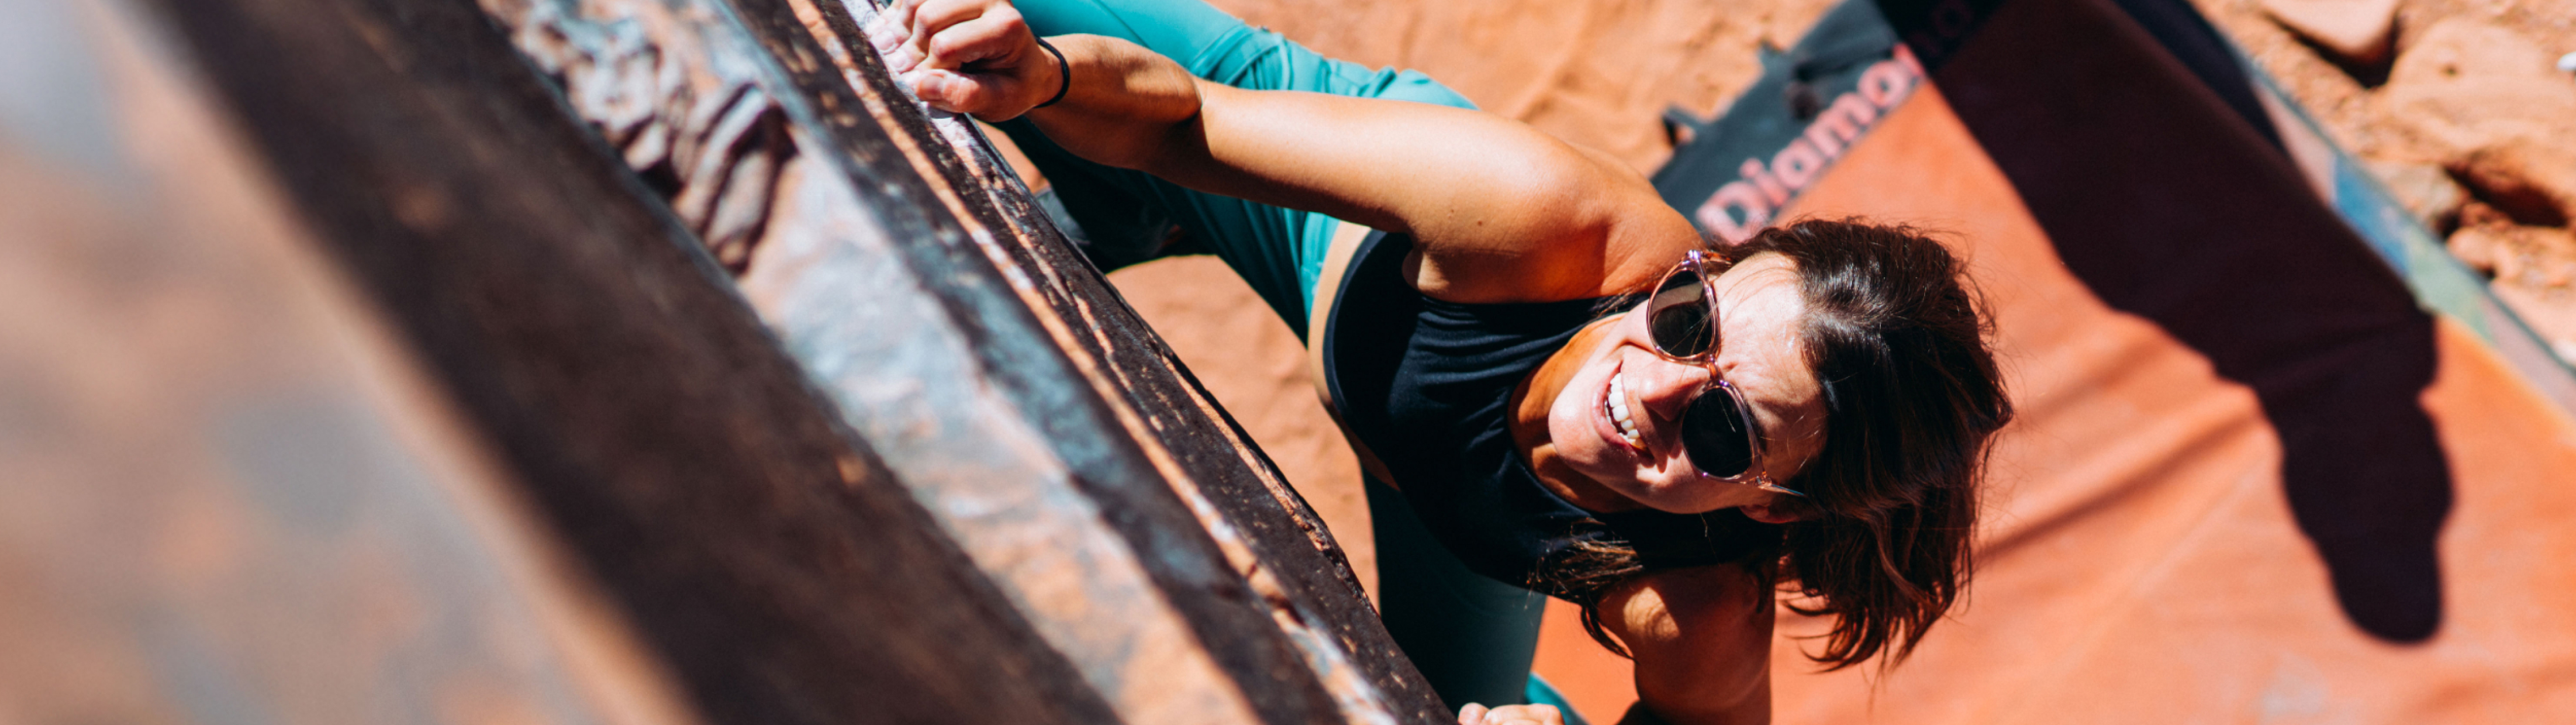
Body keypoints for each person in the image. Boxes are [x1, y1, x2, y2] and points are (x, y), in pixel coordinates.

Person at [862, 0, 2014, 723]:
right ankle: (1134, 211)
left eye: (1725, 433)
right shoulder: (1537, 218)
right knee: (991, 21)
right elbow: (1182, 121)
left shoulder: (1693, 603)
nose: (1651, 389)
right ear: (1697, 267)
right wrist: (1045, 76)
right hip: (1318, 231)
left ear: (1771, 511)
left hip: (1458, 532)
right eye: (1684, 323)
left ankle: (1131, 213)